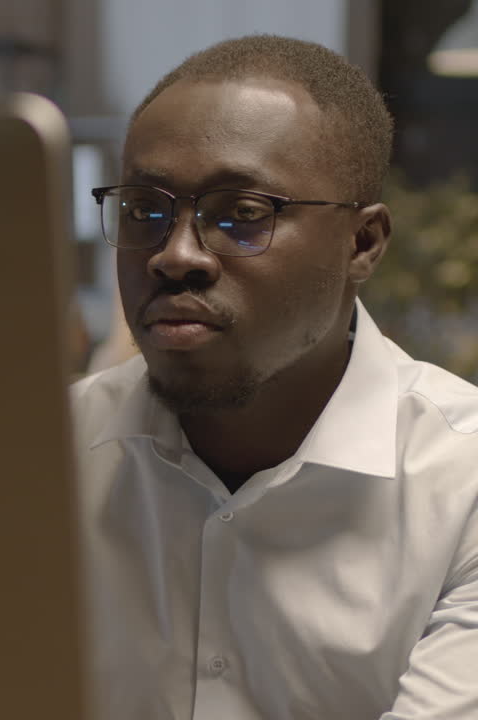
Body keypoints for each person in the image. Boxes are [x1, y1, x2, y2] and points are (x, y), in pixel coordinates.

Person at [72, 35, 478, 719]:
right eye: (145, 210)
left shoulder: (461, 486)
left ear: (362, 244)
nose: (175, 256)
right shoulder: (40, 458)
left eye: (242, 215)